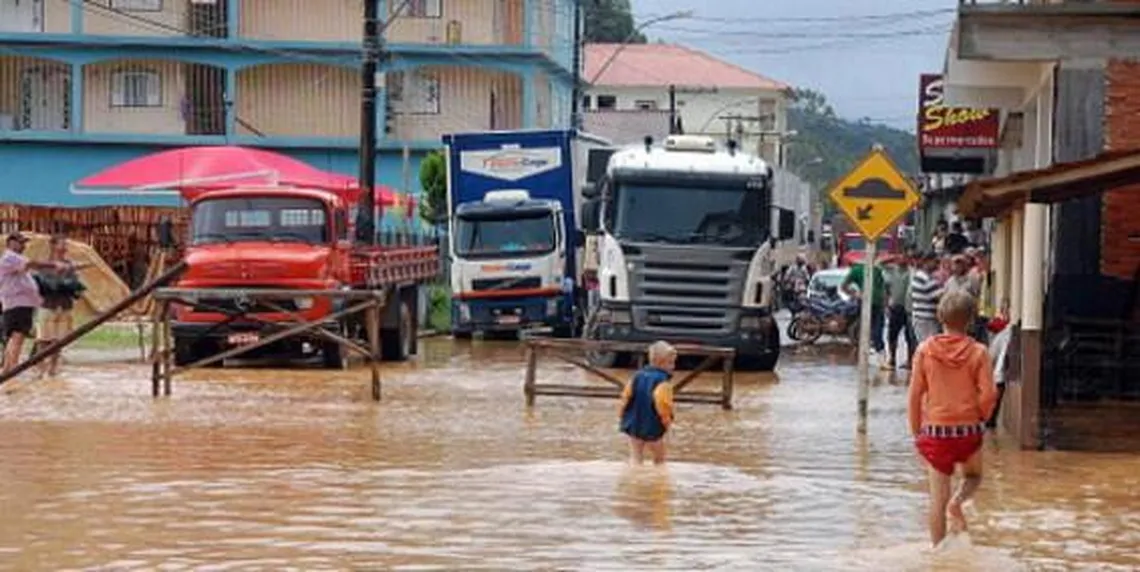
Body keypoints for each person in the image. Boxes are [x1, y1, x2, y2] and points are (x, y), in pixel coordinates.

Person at [907, 291, 998, 548]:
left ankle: (938, 555)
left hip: (936, 432)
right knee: (973, 477)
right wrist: (981, 416)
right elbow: (989, 393)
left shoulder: (925, 351)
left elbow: (914, 396)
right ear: (971, 320)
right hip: (968, 430)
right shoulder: (979, 352)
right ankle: (958, 502)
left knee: (937, 499)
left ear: (940, 317)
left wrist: (917, 433)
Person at [1, 233, 64, 375]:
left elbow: (34, 268)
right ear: (11, 243)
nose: (24, 246)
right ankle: (12, 370)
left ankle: (7, 369)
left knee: (15, 337)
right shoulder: (10, 258)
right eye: (21, 242)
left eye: (24, 243)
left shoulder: (16, 260)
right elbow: (32, 264)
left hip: (19, 304)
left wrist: (56, 268)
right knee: (17, 336)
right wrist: (54, 264)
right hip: (17, 303)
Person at [33, 234, 88, 378]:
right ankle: (40, 369)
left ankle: (53, 369)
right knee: (43, 340)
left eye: (65, 244)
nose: (64, 247)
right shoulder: (45, 264)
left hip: (64, 305)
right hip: (48, 305)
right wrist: (61, 275)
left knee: (59, 340)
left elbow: (75, 284)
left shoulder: (69, 264)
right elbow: (45, 284)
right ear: (53, 246)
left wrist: (69, 279)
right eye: (61, 244)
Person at [619, 341, 677, 465]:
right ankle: (656, 482)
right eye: (671, 363)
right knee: (660, 459)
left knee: (635, 457)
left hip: (633, 423)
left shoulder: (637, 376)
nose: (673, 366)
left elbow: (625, 396)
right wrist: (667, 422)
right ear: (661, 363)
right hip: (653, 426)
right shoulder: (663, 382)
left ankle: (634, 479)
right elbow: (662, 403)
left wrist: (622, 414)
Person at [842, 257, 888, 368]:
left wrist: (855, 294)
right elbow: (844, 286)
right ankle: (876, 357)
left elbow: (844, 286)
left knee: (872, 331)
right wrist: (856, 295)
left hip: (874, 304)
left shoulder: (876, 270)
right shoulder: (862, 270)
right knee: (873, 331)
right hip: (869, 304)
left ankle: (877, 357)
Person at [884, 253, 917, 370]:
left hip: (909, 308)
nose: (902, 259)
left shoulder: (912, 272)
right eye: (899, 257)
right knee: (892, 335)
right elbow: (886, 288)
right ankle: (892, 358)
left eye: (904, 257)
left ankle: (910, 360)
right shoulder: (892, 272)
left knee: (910, 336)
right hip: (895, 307)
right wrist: (887, 305)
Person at [909, 251, 944, 345]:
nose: (937, 265)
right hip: (925, 320)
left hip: (923, 319)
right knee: (930, 346)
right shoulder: (925, 278)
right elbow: (941, 297)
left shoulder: (923, 276)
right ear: (927, 262)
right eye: (935, 262)